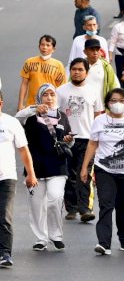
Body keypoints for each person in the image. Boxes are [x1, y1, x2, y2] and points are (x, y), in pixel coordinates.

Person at [80, 88, 124, 255]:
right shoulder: (100, 121)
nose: (117, 104)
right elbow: (92, 144)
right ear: (108, 103)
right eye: (113, 101)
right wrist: (84, 167)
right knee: (106, 205)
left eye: (121, 101)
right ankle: (104, 243)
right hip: (104, 170)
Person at [15, 84, 73, 251]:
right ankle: (41, 238)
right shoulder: (30, 117)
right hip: (35, 168)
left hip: (58, 166)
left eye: (52, 94)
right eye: (45, 94)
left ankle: (56, 235)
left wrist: (69, 140)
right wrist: (33, 108)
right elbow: (17, 117)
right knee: (37, 205)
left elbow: (68, 139)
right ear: (40, 97)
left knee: (55, 199)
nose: (49, 97)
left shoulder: (62, 116)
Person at [57, 58, 100, 222]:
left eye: (80, 69)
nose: (76, 72)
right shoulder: (60, 91)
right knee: (68, 174)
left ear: (86, 72)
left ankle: (85, 209)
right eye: (74, 69)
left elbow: (98, 116)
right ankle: (71, 208)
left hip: (87, 139)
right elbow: (57, 116)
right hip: (67, 139)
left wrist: (98, 139)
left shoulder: (94, 91)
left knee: (85, 174)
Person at [0, 90, 38, 267]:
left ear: (1, 103)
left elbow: (23, 150)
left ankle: (5, 253)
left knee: (4, 216)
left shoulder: (11, 123)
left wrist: (31, 174)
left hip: (6, 176)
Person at [18, 35, 67, 111]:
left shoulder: (58, 65)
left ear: (53, 49)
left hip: (50, 107)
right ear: (39, 46)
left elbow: (61, 88)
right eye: (42, 44)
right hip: (31, 106)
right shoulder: (29, 62)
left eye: (48, 45)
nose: (45, 47)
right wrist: (20, 104)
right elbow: (24, 84)